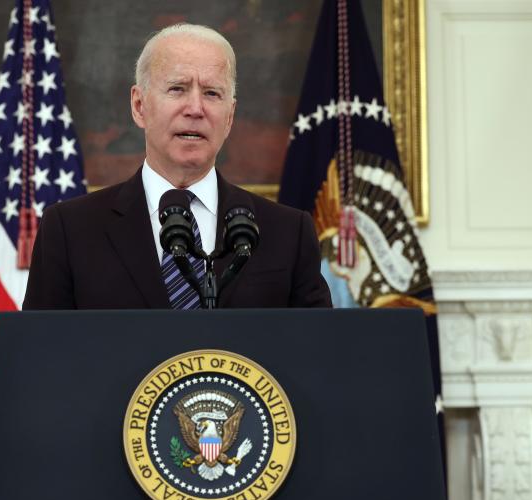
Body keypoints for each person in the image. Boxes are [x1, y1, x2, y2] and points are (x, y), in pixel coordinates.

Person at [23, 23, 332, 310]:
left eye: (212, 93)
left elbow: (317, 357)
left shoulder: (288, 233)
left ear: (230, 116)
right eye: (177, 89)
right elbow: (41, 357)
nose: (195, 109)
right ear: (139, 105)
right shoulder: (70, 230)